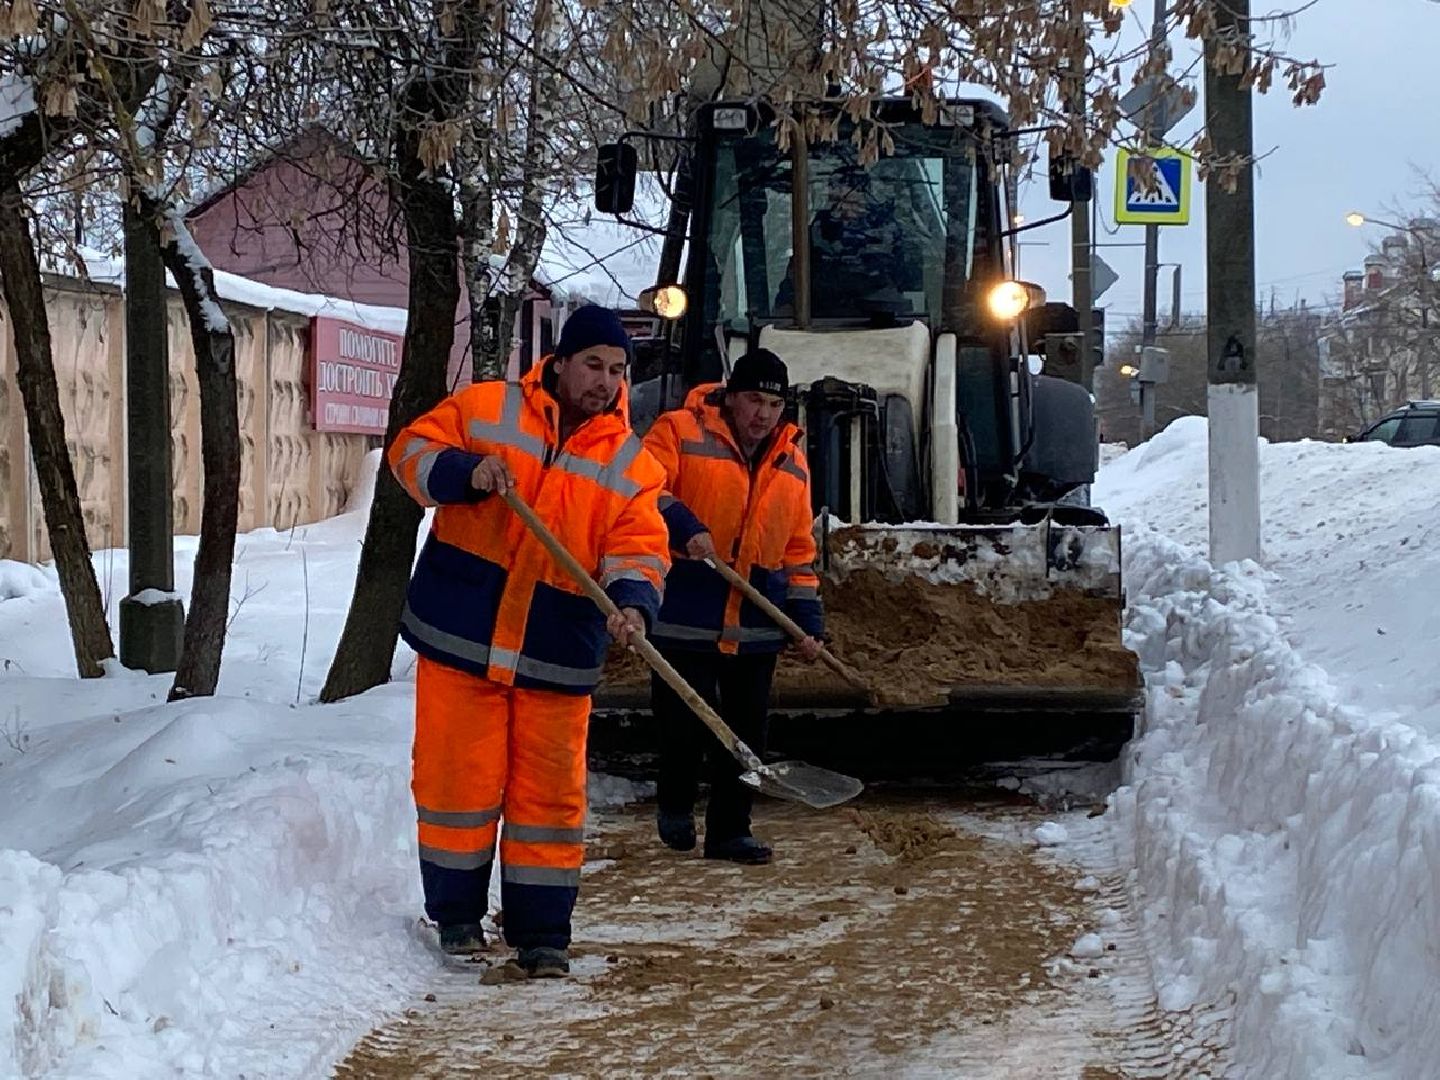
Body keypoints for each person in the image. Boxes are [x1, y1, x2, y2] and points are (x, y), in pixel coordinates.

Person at [388, 304, 669, 977]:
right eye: (595, 365)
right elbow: (411, 452)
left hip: (556, 646)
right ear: (563, 362)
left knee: (549, 800)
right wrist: (467, 474)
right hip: (465, 632)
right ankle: (456, 917)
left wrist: (632, 603)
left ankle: (543, 934)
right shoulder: (487, 408)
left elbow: (639, 548)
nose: (605, 381)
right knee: (458, 784)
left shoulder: (634, 464)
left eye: (617, 371)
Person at [641, 348, 824, 865]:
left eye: (773, 403)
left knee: (745, 732)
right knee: (682, 724)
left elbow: (798, 548)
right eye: (753, 400)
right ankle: (675, 802)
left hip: (755, 616)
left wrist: (807, 621)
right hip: (686, 609)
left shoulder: (793, 459)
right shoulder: (679, 431)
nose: (763, 414)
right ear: (730, 396)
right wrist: (684, 526)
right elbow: (642, 487)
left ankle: (730, 830)